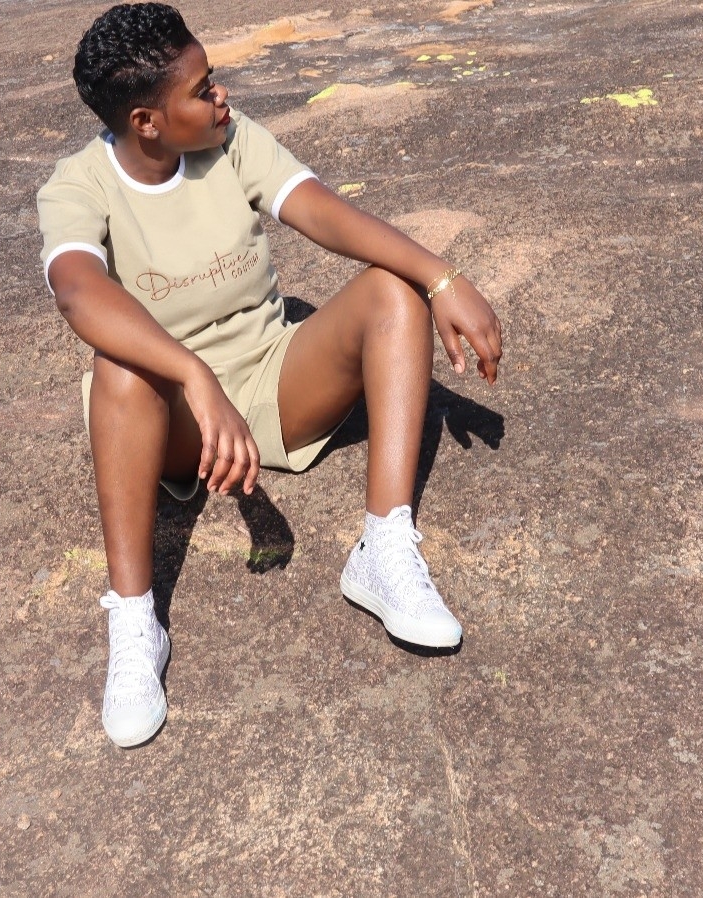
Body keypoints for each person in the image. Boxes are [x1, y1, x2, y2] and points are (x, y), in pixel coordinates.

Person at [37, 2, 502, 747]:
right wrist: (193, 375)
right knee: (116, 368)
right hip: (171, 416)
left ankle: (382, 548)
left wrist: (442, 278)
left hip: (271, 382)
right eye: (201, 90)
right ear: (146, 121)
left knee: (392, 290)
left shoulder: (229, 139)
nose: (221, 96)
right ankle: (134, 621)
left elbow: (322, 213)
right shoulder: (78, 186)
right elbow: (77, 292)